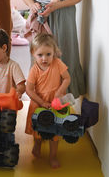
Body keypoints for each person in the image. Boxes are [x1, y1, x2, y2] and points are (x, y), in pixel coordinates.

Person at [25, 33, 71, 168]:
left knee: (55, 131)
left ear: (54, 53)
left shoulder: (58, 64)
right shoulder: (34, 70)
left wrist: (60, 90)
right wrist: (41, 102)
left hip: (54, 102)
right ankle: (37, 146)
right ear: (33, 53)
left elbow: (67, 78)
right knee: (38, 130)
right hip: (38, 103)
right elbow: (29, 90)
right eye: (40, 55)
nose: (44, 58)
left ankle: (53, 156)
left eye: (48, 54)